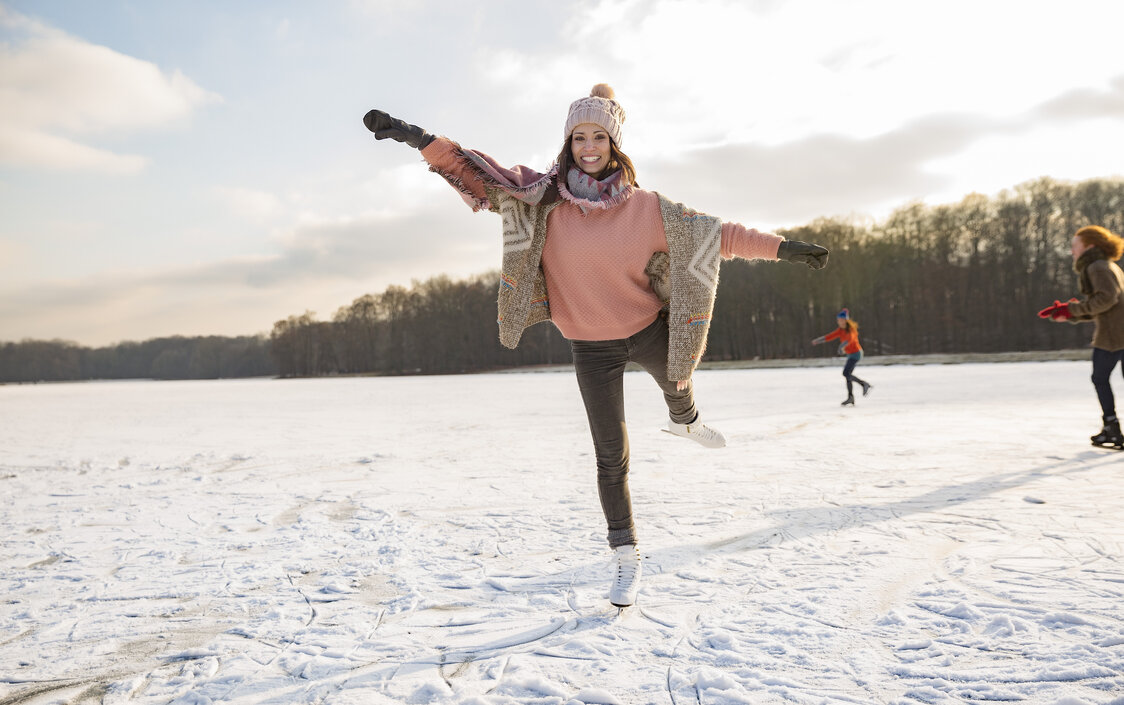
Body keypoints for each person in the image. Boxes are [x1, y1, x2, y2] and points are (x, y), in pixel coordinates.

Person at [364, 84, 829, 607]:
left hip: (646, 327)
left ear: (614, 142)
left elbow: (716, 234)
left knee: (678, 373)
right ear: (568, 142)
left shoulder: (650, 209)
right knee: (611, 459)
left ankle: (686, 420)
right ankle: (625, 557)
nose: (589, 145)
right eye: (579, 136)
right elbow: (474, 173)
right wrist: (417, 139)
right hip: (591, 347)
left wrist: (785, 248)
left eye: (599, 135)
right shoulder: (538, 201)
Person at [1038, 225, 1124, 450]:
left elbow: (1107, 299)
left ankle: (1112, 428)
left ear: (1090, 246)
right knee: (1101, 378)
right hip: (1115, 333)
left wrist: (1071, 309)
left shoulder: (1097, 267)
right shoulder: (1107, 265)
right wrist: (1070, 315)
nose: (1072, 251)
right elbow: (1106, 306)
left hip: (1115, 337)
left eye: (1075, 246)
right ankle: (1111, 428)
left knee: (1100, 378)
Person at [812, 308, 871, 406]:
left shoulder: (851, 329)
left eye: (841, 320)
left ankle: (864, 384)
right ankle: (850, 397)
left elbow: (850, 339)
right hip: (851, 354)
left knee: (846, 373)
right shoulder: (840, 330)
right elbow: (830, 336)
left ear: (845, 320)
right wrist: (818, 340)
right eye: (838, 320)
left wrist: (841, 346)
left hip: (856, 354)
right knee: (848, 375)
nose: (839, 322)